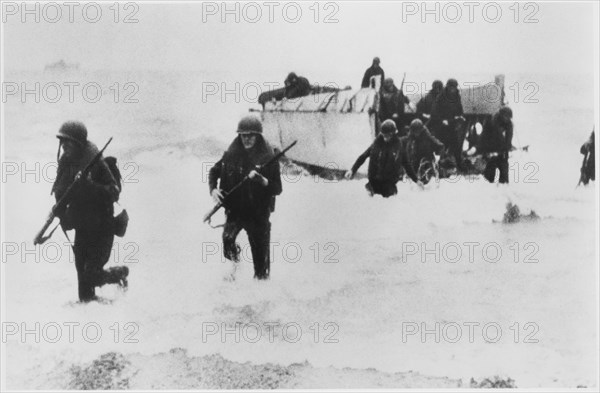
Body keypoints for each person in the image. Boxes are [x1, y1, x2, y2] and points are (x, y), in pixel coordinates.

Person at [51, 121, 128, 302]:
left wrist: (88, 186)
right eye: (62, 142)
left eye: (67, 142)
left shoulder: (95, 162)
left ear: (78, 143)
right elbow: (60, 191)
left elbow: (113, 192)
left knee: (91, 274)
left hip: (103, 227)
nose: (64, 146)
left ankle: (119, 274)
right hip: (82, 227)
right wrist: (62, 214)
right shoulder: (66, 162)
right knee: (84, 290)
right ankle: (90, 319)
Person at [209, 116, 282, 280]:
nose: (247, 139)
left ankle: (262, 295)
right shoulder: (232, 154)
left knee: (261, 267)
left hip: (258, 214)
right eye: (243, 135)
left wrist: (262, 181)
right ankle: (235, 269)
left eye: (251, 135)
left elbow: (277, 188)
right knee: (228, 240)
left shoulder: (268, 158)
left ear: (258, 136)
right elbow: (214, 171)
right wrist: (213, 189)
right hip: (236, 210)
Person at [345, 119, 419, 197]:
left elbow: (407, 164)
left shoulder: (399, 146)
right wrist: (352, 170)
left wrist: (416, 180)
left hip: (389, 184)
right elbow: (363, 156)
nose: (385, 138)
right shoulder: (376, 143)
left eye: (387, 136)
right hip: (374, 182)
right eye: (384, 135)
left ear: (393, 134)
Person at [428, 78, 465, 167]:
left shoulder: (457, 96)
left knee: (456, 143)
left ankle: (459, 163)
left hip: (451, 124)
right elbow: (434, 111)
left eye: (454, 88)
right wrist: (441, 120)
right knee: (441, 144)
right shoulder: (441, 96)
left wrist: (460, 116)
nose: (452, 90)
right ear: (447, 87)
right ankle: (439, 163)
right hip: (441, 125)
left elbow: (459, 109)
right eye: (451, 87)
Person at [477, 106, 514, 184]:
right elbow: (487, 137)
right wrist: (489, 151)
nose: (507, 119)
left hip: (500, 145)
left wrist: (505, 149)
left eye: (508, 117)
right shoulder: (492, 121)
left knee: (504, 163)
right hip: (488, 143)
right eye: (505, 116)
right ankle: (488, 182)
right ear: (501, 115)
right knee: (491, 163)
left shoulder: (509, 124)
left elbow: (508, 138)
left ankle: (504, 183)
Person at [403, 119, 445, 184]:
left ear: (421, 130)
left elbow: (441, 146)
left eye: (418, 132)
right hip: (414, 159)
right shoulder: (410, 138)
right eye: (415, 132)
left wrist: (438, 157)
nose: (416, 134)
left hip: (427, 160)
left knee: (425, 177)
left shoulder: (428, 137)